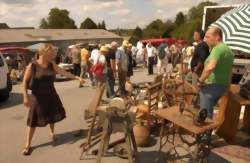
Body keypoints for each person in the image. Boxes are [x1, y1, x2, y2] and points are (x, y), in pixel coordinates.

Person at [22, 43, 85, 155]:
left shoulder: (52, 64)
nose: (54, 54)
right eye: (52, 52)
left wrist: (77, 77)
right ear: (45, 53)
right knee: (33, 119)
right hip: (37, 97)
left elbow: (64, 72)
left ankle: (52, 132)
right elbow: (24, 82)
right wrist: (25, 96)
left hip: (51, 94)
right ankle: (28, 144)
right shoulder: (32, 66)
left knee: (52, 114)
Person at [198, 27, 234, 119]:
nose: (205, 39)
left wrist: (200, 80)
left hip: (211, 87)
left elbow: (210, 67)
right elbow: (230, 71)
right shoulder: (229, 50)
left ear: (217, 37)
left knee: (205, 116)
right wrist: (228, 87)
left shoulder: (217, 49)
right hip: (223, 87)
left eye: (208, 37)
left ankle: (205, 134)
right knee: (209, 114)